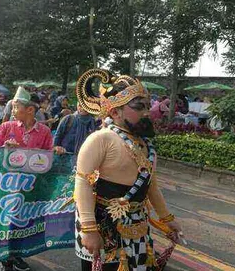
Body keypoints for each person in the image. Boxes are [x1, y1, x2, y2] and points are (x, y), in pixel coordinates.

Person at [74, 69, 183, 271]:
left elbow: (151, 186)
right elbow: (82, 182)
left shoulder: (147, 146)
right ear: (115, 111)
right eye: (139, 107)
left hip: (138, 225)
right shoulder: (101, 139)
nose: (146, 112)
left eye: (147, 106)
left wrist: (167, 219)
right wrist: (88, 228)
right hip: (103, 226)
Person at [0, 87, 53, 271]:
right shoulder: (6, 127)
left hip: (31, 188)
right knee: (6, 221)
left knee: (24, 223)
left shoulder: (44, 132)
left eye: (16, 107)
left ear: (30, 110)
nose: (12, 111)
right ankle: (5, 257)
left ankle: (18, 255)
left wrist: (56, 152)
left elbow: (49, 156)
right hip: (6, 185)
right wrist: (3, 147)